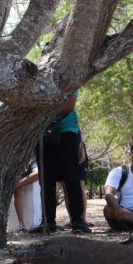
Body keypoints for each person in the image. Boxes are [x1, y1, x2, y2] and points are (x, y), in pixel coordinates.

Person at [32, 92, 91, 234]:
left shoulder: (69, 77)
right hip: (42, 134)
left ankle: (78, 221)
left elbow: (69, 105)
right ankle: (48, 222)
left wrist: (44, 114)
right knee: (45, 180)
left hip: (67, 131)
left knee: (71, 177)